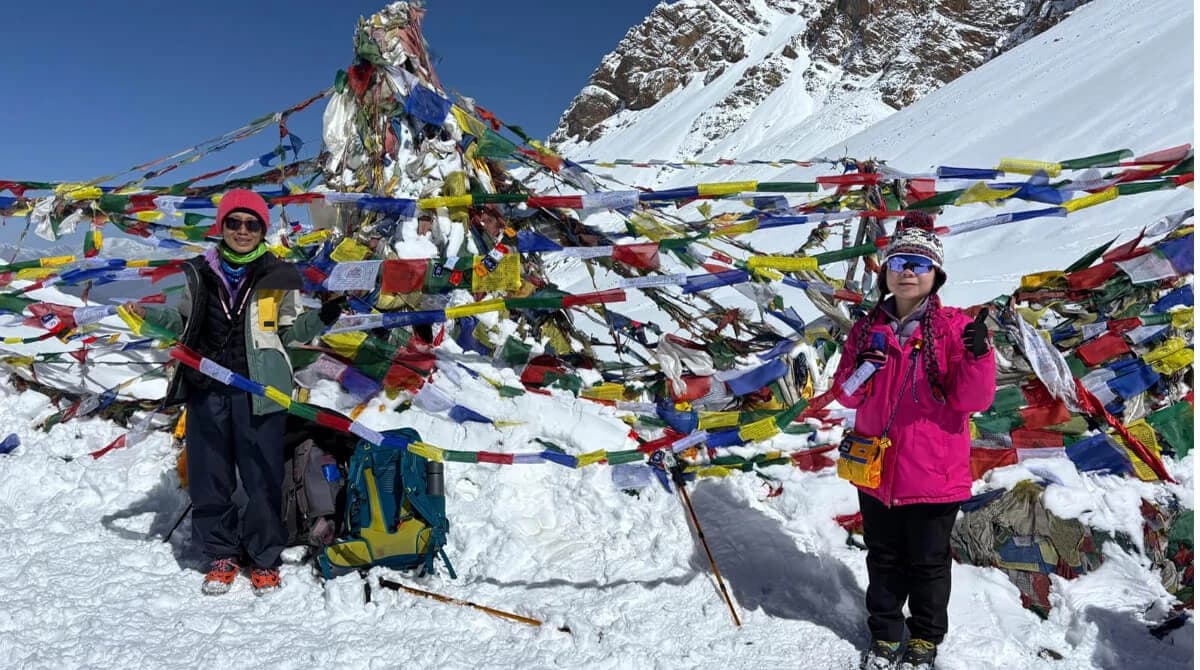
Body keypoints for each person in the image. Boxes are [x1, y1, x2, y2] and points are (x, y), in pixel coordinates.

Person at [127, 189, 345, 595]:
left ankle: (264, 557)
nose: (242, 231)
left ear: (263, 229)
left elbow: (289, 332)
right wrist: (148, 315)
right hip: (206, 388)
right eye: (234, 222)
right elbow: (180, 323)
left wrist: (324, 318)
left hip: (261, 389)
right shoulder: (197, 272)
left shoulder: (279, 274)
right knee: (211, 476)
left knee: (262, 477)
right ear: (221, 226)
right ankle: (222, 553)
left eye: (251, 224)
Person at [833, 214, 996, 670]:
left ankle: (924, 638)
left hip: (933, 471)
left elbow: (974, 399)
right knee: (883, 558)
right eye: (899, 261)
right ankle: (885, 634)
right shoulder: (866, 328)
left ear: (936, 275)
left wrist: (979, 355)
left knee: (927, 562)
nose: (908, 271)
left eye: (920, 264)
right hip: (875, 470)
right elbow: (845, 393)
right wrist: (865, 364)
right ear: (885, 270)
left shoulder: (954, 327)